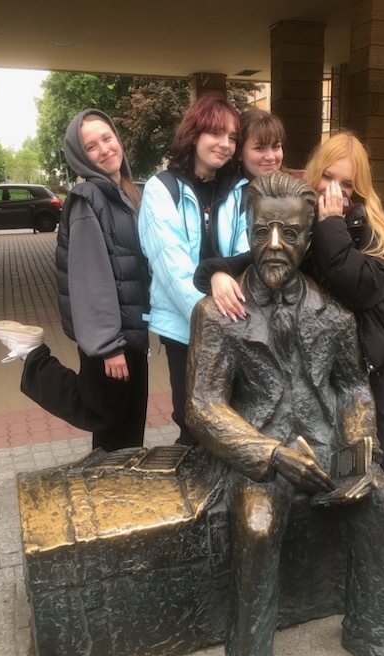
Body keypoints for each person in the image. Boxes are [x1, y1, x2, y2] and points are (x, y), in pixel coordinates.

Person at [186, 172, 384, 656]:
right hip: (259, 451)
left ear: (308, 238)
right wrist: (269, 455)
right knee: (257, 522)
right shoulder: (217, 314)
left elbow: (352, 388)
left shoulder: (333, 314)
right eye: (262, 230)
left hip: (323, 445)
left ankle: (371, 635)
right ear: (247, 230)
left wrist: (360, 447)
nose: (274, 244)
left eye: (290, 233)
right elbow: (204, 406)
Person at [194, 130, 384, 592]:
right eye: (328, 179)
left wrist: (329, 224)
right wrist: (215, 272)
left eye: (348, 183)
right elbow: (258, 251)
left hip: (369, 366)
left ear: (362, 188)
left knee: (380, 466)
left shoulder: (372, 232)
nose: (337, 190)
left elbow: (356, 287)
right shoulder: (295, 221)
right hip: (322, 378)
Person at [0, 108, 150, 452]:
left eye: (107, 138)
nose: (104, 149)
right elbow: (91, 279)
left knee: (125, 426)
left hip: (131, 332)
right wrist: (108, 347)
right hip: (110, 336)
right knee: (105, 418)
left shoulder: (124, 193)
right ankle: (33, 357)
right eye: (91, 146)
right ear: (80, 156)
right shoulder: (88, 199)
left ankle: (119, 481)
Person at [138, 92, 249, 444]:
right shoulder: (161, 189)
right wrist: (215, 322)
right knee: (192, 418)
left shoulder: (239, 189)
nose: (225, 144)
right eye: (216, 133)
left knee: (236, 419)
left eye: (232, 137)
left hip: (234, 320)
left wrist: (228, 289)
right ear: (194, 134)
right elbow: (171, 266)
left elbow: (247, 254)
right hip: (186, 326)